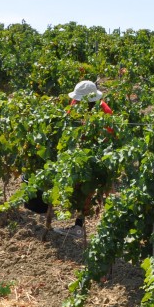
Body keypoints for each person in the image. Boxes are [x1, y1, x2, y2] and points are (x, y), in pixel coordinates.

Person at [61, 80, 114, 238]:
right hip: (78, 153)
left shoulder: (105, 111)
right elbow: (70, 122)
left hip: (96, 156)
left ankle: (79, 227)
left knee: (88, 190)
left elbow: (108, 138)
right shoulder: (76, 103)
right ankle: (78, 223)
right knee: (77, 188)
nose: (77, 102)